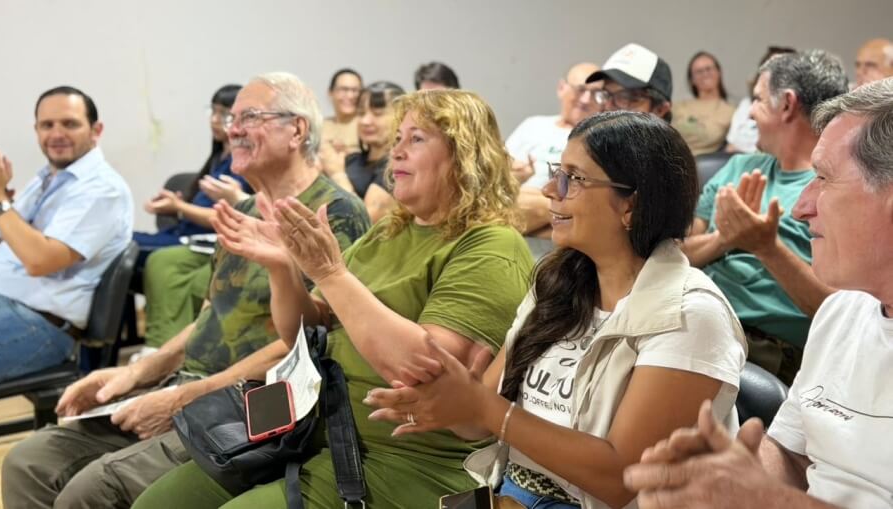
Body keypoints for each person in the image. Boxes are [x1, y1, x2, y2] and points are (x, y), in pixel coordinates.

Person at [132, 89, 536, 509]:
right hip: (311, 432)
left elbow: (426, 372)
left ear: (465, 156)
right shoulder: (389, 231)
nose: (395, 152)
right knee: (156, 503)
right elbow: (301, 334)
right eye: (396, 138)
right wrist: (282, 268)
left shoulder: (491, 246)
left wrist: (330, 272)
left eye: (416, 139)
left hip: (403, 459)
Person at [2, 72, 371, 509]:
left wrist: (182, 396)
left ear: (297, 129)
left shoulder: (336, 214)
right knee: (29, 460)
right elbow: (208, 318)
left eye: (249, 116)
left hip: (255, 405)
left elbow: (309, 346)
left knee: (94, 489)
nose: (231, 129)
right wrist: (135, 374)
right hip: (193, 387)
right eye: (231, 118)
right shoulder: (245, 210)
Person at [365, 111, 747, 509]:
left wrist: (484, 407)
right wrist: (448, 399)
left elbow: (622, 480)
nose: (550, 189)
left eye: (574, 179)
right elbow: (479, 420)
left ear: (630, 204)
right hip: (510, 494)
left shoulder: (690, 315)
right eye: (555, 172)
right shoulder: (558, 285)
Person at [623, 77, 893, 509]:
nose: (802, 205)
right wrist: (730, 477)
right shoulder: (842, 312)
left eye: (823, 178)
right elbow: (791, 453)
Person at [682, 50, 849, 384]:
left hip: (762, 349)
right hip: (692, 318)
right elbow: (675, 254)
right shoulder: (738, 167)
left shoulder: (839, 188)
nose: (750, 115)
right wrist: (725, 239)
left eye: (757, 100)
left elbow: (842, 313)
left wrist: (767, 247)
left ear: (786, 104)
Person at [0, 86, 132, 383]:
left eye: (69, 124)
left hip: (36, 324)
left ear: (96, 130)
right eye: (47, 125)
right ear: (36, 130)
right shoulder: (46, 178)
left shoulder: (102, 189)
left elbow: (40, 261)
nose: (56, 134)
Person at [133, 84, 252, 268]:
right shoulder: (218, 158)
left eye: (223, 114)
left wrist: (180, 207)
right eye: (212, 111)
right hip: (181, 234)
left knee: (123, 247)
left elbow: (223, 218)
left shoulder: (242, 164)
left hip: (200, 243)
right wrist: (175, 207)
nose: (214, 120)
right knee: (118, 241)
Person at [507, 62, 601, 236]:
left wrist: (543, 209)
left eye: (596, 93)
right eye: (580, 89)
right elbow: (495, 184)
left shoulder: (599, 138)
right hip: (511, 212)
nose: (586, 99)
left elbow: (587, 212)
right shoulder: (532, 125)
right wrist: (516, 178)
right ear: (561, 88)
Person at [321, 81, 404, 222]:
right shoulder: (351, 159)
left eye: (377, 114)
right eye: (361, 113)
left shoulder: (397, 168)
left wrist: (337, 174)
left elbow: (365, 221)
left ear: (400, 117)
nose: (365, 121)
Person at [725, 46, 796, 154]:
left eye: (777, 70)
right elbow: (731, 145)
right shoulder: (746, 104)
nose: (751, 114)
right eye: (766, 67)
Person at [672, 51, 735, 155]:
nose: (705, 74)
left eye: (709, 69)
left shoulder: (731, 111)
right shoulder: (677, 106)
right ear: (692, 79)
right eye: (699, 71)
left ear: (719, 73)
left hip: (705, 166)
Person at [321, 68, 363, 156]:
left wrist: (348, 153)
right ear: (330, 93)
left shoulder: (366, 125)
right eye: (344, 89)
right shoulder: (320, 125)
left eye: (355, 90)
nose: (350, 96)